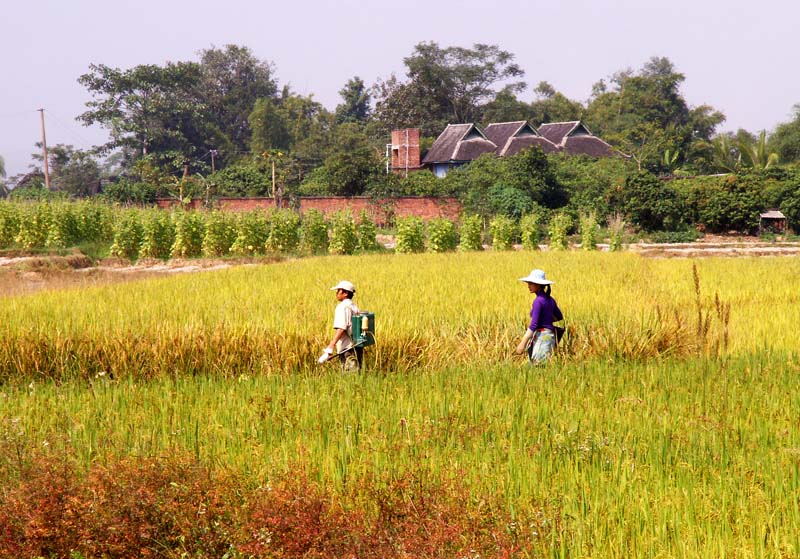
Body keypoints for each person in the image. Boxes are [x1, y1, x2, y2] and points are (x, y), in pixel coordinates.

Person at [515, 269, 564, 364]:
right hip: (549, 337)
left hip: (542, 337)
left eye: (531, 283)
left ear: (538, 285)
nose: (528, 286)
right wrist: (547, 319)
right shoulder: (550, 299)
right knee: (538, 367)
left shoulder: (538, 301)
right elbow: (559, 316)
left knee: (538, 367)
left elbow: (534, 324)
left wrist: (522, 343)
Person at [320, 280, 363, 372]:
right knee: (357, 372)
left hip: (347, 348)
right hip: (357, 346)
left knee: (350, 376)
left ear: (345, 293)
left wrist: (331, 346)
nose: (336, 293)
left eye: (338, 290)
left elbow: (341, 328)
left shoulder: (342, 307)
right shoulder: (353, 306)